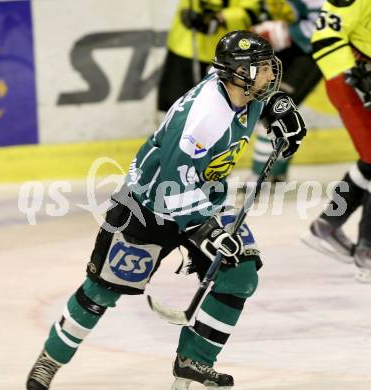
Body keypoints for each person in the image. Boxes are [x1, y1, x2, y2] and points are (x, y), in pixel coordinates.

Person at [26, 30, 306, 390]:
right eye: (264, 68)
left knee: (241, 274)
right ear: (240, 73)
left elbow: (256, 102)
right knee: (101, 292)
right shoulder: (204, 118)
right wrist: (208, 233)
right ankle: (50, 359)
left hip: (201, 199)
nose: (271, 76)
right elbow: (168, 191)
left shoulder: (241, 89)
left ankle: (194, 361)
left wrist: (277, 109)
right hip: (147, 208)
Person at [301, 0, 371, 283]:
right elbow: (326, 35)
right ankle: (368, 253)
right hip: (353, 81)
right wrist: (356, 77)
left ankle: (326, 226)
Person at [250, 0, 324, 182]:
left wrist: (287, 33)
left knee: (275, 109)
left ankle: (263, 175)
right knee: (268, 109)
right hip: (281, 52)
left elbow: (328, 22)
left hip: (309, 54)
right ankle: (275, 173)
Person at [157, 0, 262, 112]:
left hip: (228, 54)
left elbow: (251, 11)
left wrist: (221, 18)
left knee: (229, 112)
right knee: (177, 110)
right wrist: (188, 13)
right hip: (186, 48)